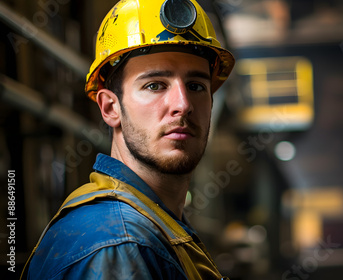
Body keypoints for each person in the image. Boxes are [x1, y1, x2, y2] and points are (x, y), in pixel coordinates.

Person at [21, 0, 234, 279]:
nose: (183, 104)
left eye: (196, 86)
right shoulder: (119, 244)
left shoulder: (155, 224)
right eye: (154, 85)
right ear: (110, 108)